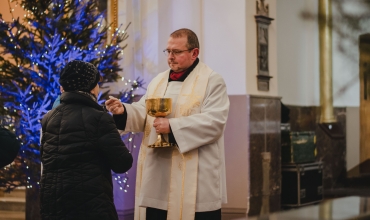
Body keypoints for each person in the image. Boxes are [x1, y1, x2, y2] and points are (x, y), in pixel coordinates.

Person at [105, 28, 230, 220]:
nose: (170, 57)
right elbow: (144, 112)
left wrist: (172, 127)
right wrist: (124, 111)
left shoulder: (212, 81)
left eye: (177, 52)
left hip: (196, 177)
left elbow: (214, 121)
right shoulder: (159, 81)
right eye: (168, 51)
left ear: (194, 53)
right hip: (160, 175)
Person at [40, 60, 133, 220]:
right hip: (91, 207)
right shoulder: (99, 118)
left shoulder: (49, 117)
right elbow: (122, 163)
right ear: (92, 87)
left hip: (54, 205)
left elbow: (46, 157)